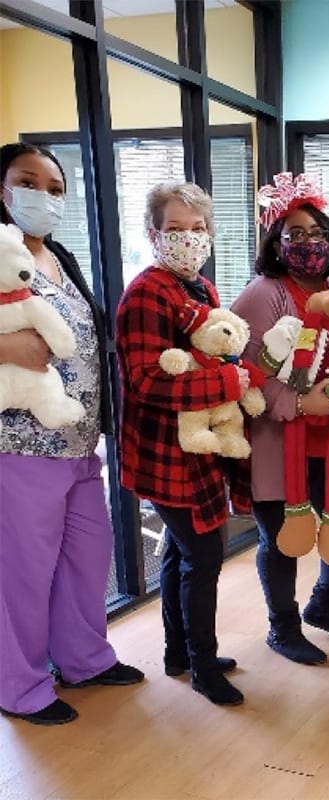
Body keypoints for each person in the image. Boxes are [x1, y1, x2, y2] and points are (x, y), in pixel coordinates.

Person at [0, 143, 143, 727]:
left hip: (80, 442)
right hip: (20, 443)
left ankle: (84, 658)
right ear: (2, 189)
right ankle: (19, 685)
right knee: (24, 571)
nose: (45, 197)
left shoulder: (56, 255)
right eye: (28, 182)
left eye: (55, 188)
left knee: (87, 556)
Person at [231, 172, 329, 666]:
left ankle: (325, 605)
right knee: (281, 536)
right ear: (276, 243)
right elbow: (245, 370)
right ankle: (282, 627)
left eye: (317, 233)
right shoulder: (263, 293)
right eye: (295, 234)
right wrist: (297, 402)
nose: (309, 243)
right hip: (279, 440)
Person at [116, 182, 246, 707]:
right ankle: (203, 666)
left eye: (197, 228)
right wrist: (229, 383)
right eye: (175, 229)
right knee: (203, 556)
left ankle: (180, 653)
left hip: (197, 448)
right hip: (164, 454)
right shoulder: (146, 293)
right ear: (153, 234)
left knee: (180, 551)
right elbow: (147, 379)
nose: (189, 239)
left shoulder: (202, 289)